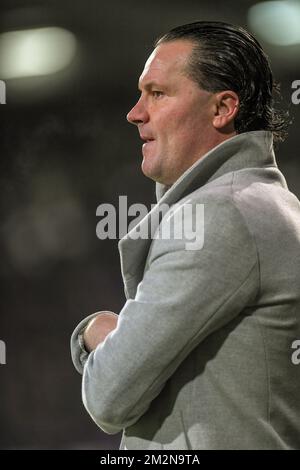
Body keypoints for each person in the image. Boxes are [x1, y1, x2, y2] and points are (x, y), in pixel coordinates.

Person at [71, 21, 300, 450]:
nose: (135, 112)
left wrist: (96, 332)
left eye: (158, 94)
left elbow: (108, 396)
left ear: (222, 108)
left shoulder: (217, 215)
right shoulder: (272, 203)